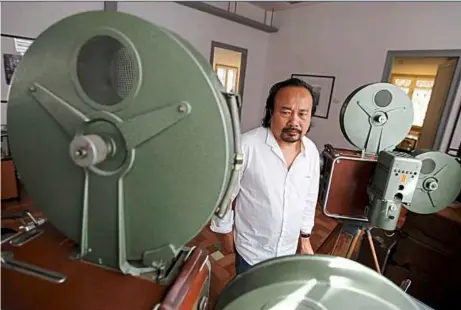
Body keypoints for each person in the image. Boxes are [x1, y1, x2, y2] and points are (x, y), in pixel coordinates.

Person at [210, 77, 321, 275]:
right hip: (252, 250)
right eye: (286, 112)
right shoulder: (247, 146)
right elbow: (225, 193)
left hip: (288, 249)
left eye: (303, 114)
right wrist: (225, 232)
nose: (294, 121)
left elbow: (309, 197)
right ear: (271, 112)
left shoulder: (310, 150)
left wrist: (304, 237)